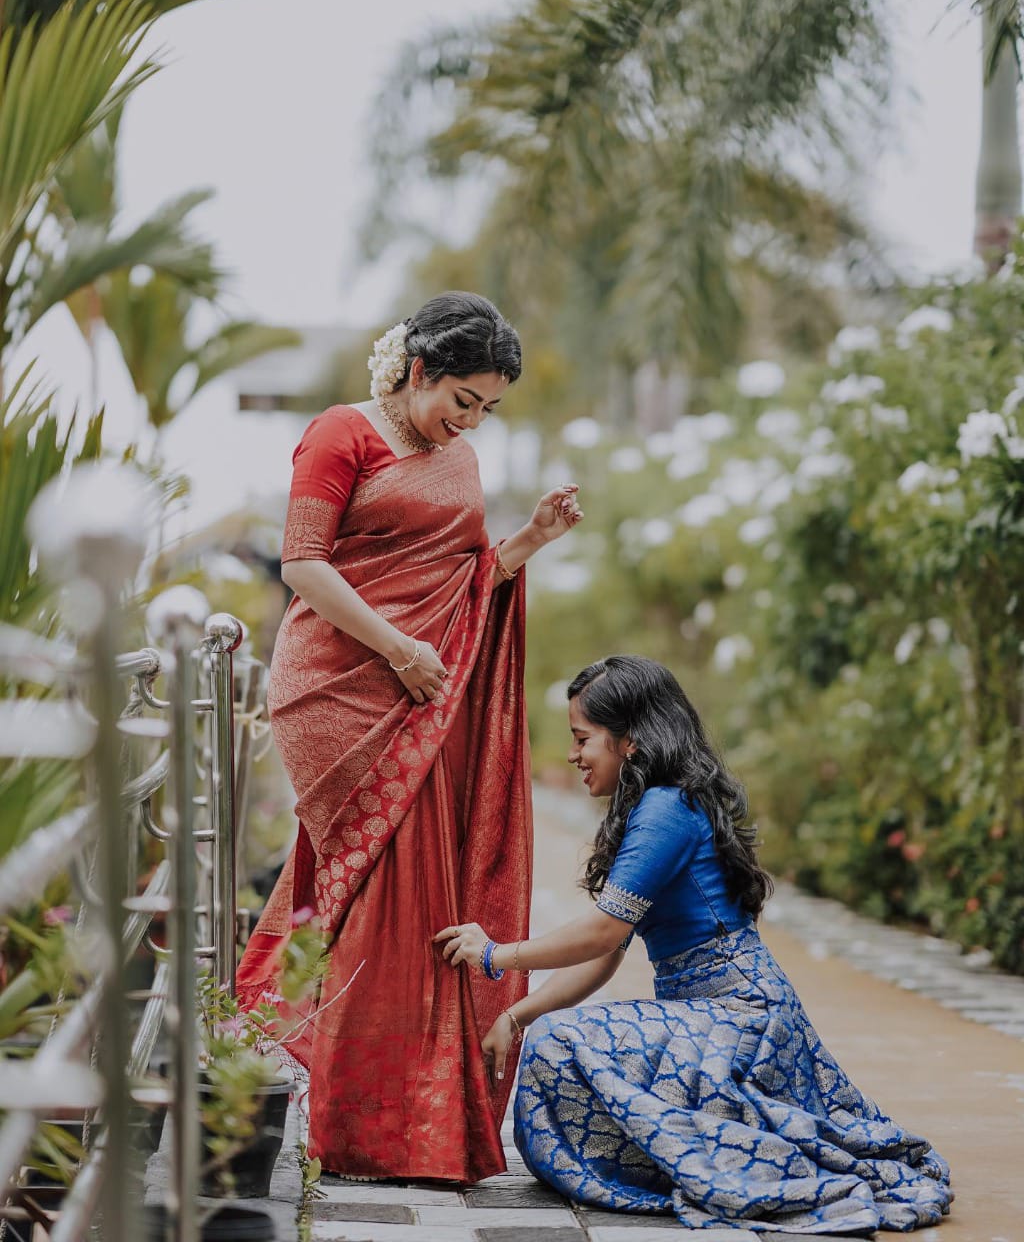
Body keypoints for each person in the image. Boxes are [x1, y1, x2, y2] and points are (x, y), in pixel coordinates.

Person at [235, 291, 583, 1182]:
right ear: (419, 370)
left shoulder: (456, 459)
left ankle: (414, 1122)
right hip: (339, 690)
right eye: (460, 399)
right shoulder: (339, 435)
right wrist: (396, 649)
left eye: (486, 409)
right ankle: (356, 1127)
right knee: (378, 893)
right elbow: (303, 564)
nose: (468, 422)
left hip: (422, 683)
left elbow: (468, 581)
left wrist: (532, 540)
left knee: (424, 896)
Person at [436, 656, 953, 1233]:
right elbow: (607, 957)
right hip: (712, 1016)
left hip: (742, 1019)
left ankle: (688, 1169)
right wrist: (517, 1014)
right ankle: (682, 1163)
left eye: (583, 739)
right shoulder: (658, 804)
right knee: (556, 1039)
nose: (574, 756)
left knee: (562, 1043)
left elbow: (602, 931)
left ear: (629, 739)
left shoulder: (665, 808)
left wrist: (494, 954)